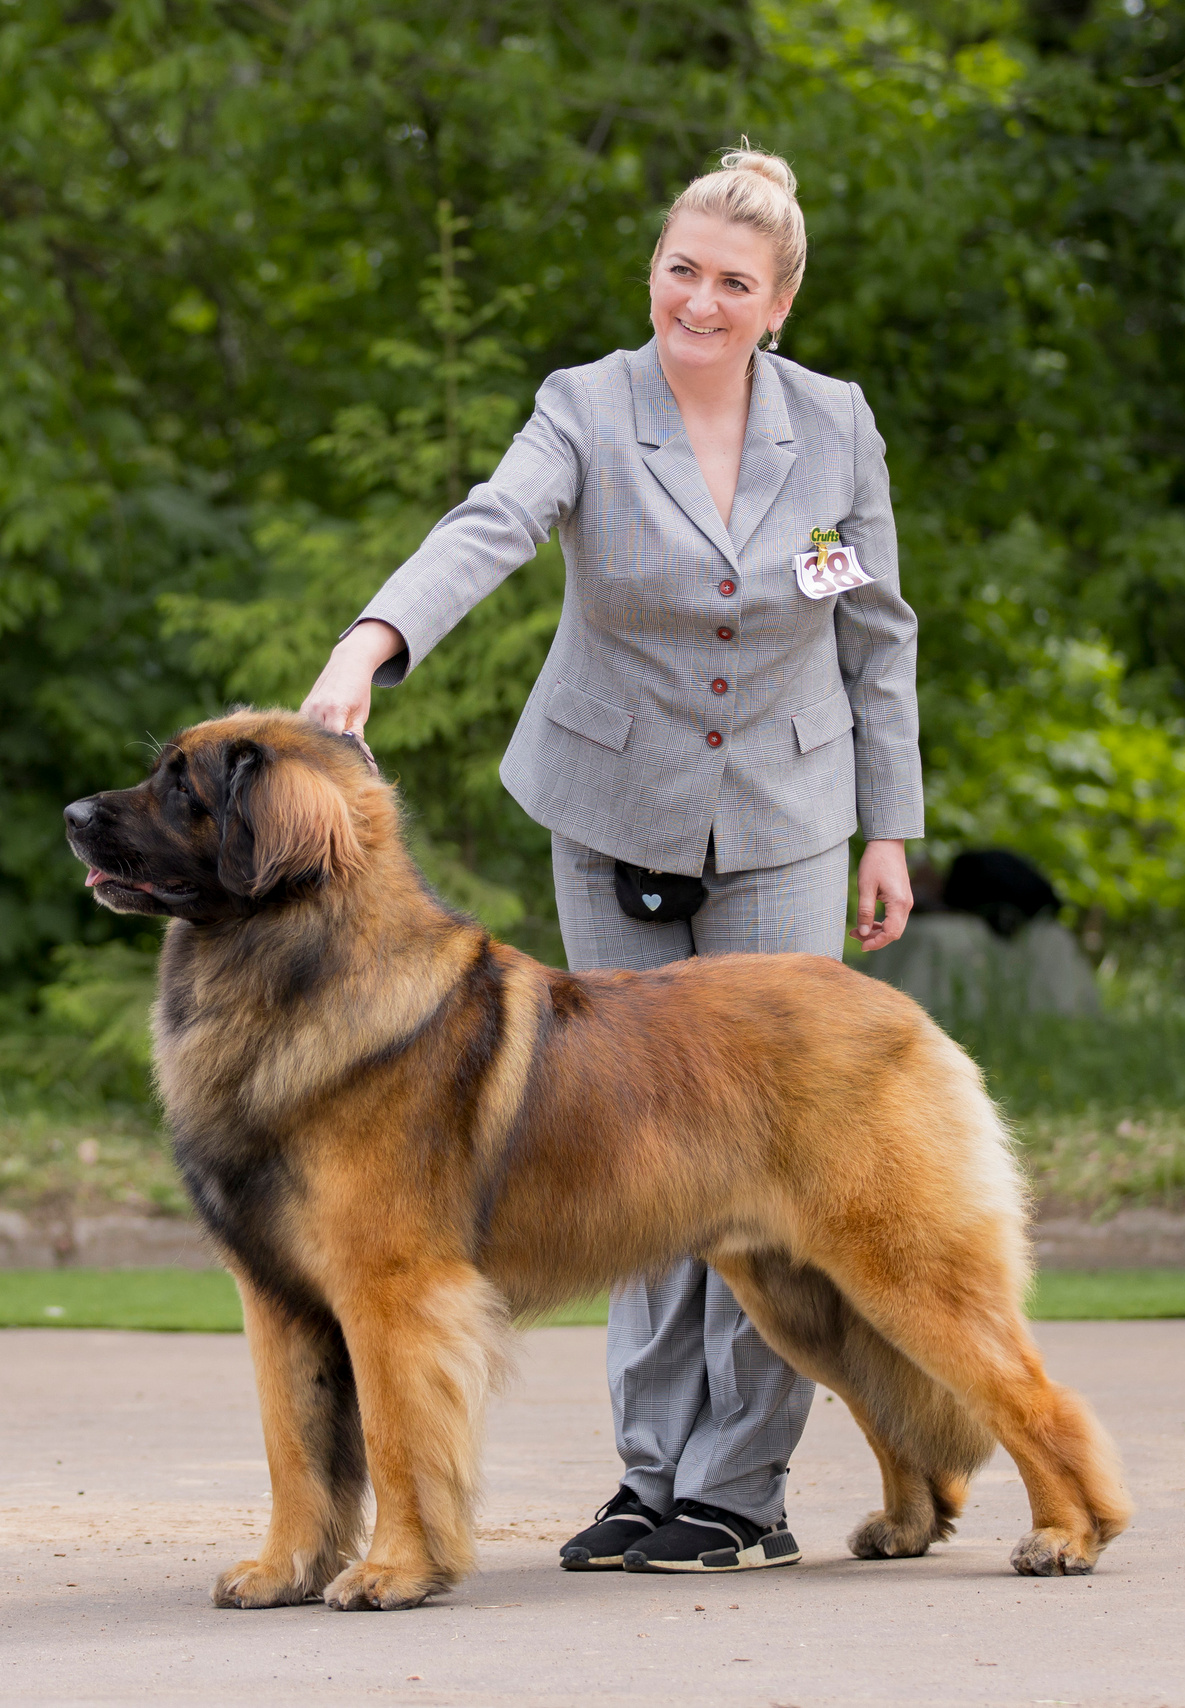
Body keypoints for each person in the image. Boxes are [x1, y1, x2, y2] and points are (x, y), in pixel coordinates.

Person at [301, 148, 920, 1576]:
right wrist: (370, 641)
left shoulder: (835, 426)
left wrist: (890, 825)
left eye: (732, 282)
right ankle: (651, 1474)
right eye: (678, 268)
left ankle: (740, 1489)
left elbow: (874, 629)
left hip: (786, 812)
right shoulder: (586, 406)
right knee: (626, 1147)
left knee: (765, 1145)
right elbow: (490, 525)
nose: (697, 299)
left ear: (780, 302)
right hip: (612, 805)